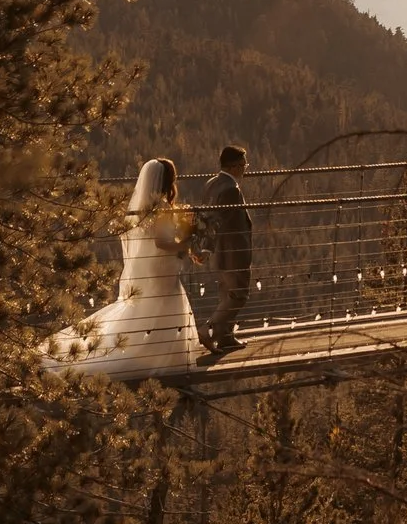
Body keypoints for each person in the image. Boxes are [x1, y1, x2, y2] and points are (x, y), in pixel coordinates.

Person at [41, 157, 205, 378]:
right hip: (162, 267)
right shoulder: (162, 208)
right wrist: (187, 241)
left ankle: (155, 351)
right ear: (169, 180)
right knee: (165, 303)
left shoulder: (146, 207)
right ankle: (162, 355)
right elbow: (163, 243)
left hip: (150, 265)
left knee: (149, 307)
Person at [199, 142, 254, 356]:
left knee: (226, 294)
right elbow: (220, 221)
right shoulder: (231, 189)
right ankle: (208, 330)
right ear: (233, 167)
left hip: (220, 254)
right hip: (234, 253)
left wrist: (205, 247)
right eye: (243, 164)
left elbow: (207, 219)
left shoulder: (211, 184)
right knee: (238, 294)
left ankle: (226, 338)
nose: (245, 169)